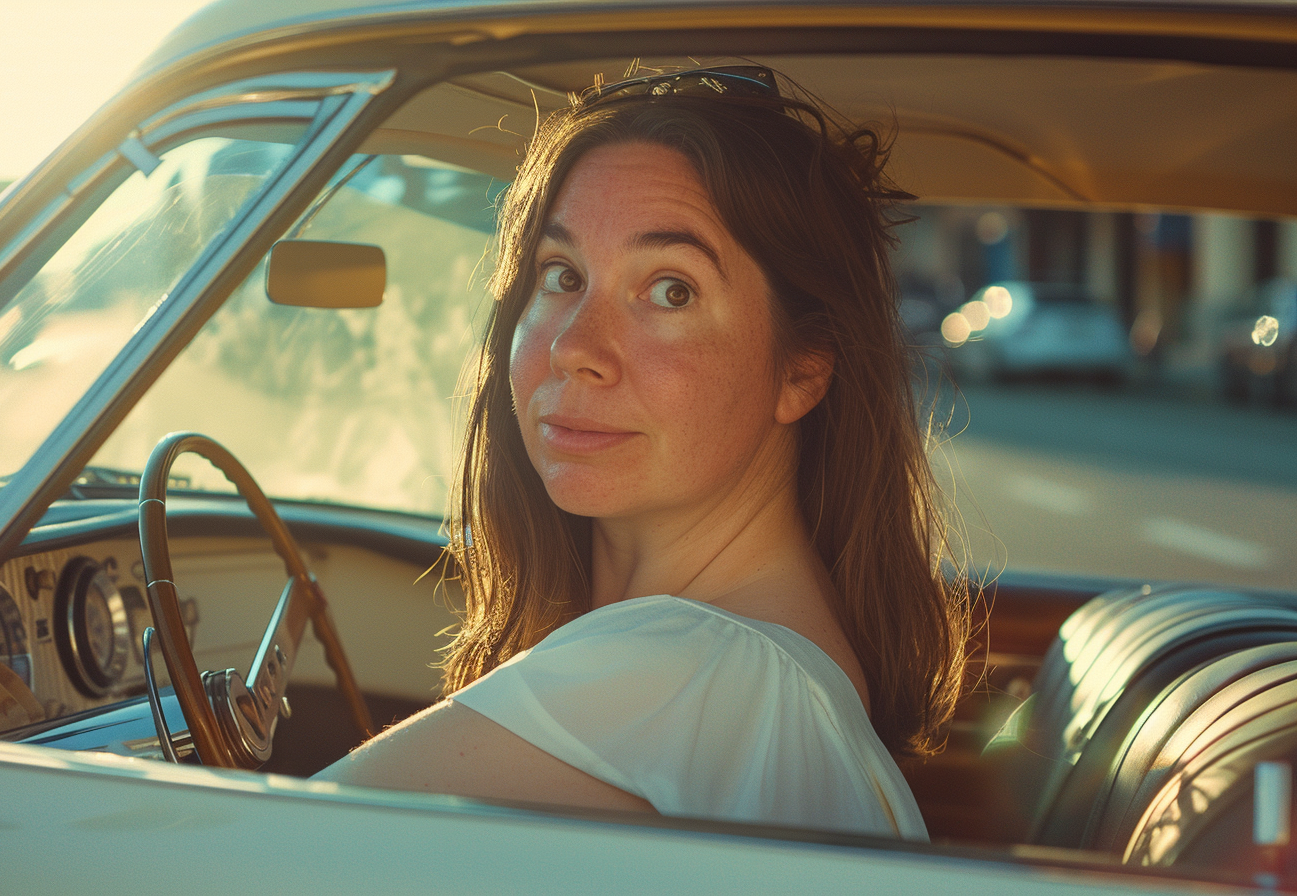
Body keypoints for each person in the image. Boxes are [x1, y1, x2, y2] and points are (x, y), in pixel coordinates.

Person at [315, 65, 970, 841]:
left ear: (803, 370)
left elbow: (222, 853)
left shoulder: (691, 673)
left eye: (671, 291)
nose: (575, 348)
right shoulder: (778, 670)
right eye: (561, 276)